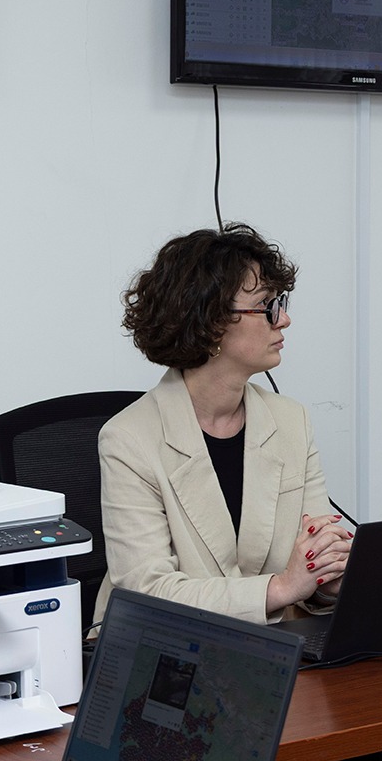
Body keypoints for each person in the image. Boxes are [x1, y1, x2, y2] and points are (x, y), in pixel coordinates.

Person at [95, 223, 351, 628]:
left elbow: (316, 561)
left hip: (270, 647)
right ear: (212, 321)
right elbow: (147, 592)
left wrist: (330, 581)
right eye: (266, 305)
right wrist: (281, 588)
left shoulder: (291, 421)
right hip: (163, 647)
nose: (284, 319)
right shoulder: (128, 439)